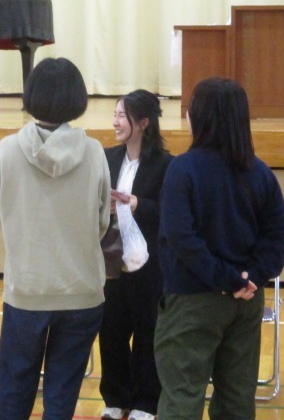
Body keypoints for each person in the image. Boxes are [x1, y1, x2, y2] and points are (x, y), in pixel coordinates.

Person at [154, 77, 284, 419]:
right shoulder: (259, 172)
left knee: (182, 399)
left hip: (193, 300)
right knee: (237, 400)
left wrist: (227, 279)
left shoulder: (182, 169)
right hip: (246, 301)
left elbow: (181, 238)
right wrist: (251, 277)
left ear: (199, 117)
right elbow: (278, 235)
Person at [0, 57, 111, 420]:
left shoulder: (7, 149)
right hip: (81, 289)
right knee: (61, 399)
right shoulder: (94, 152)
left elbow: (2, 211)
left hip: (27, 289)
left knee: (13, 395)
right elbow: (102, 221)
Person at [99, 90, 173, 420]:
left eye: (122, 115)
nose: (115, 122)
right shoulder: (107, 158)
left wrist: (136, 204)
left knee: (147, 333)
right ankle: (115, 398)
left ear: (143, 123)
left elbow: (170, 213)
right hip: (112, 258)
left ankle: (145, 402)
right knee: (111, 331)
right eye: (114, 114)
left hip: (149, 263)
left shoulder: (166, 164)